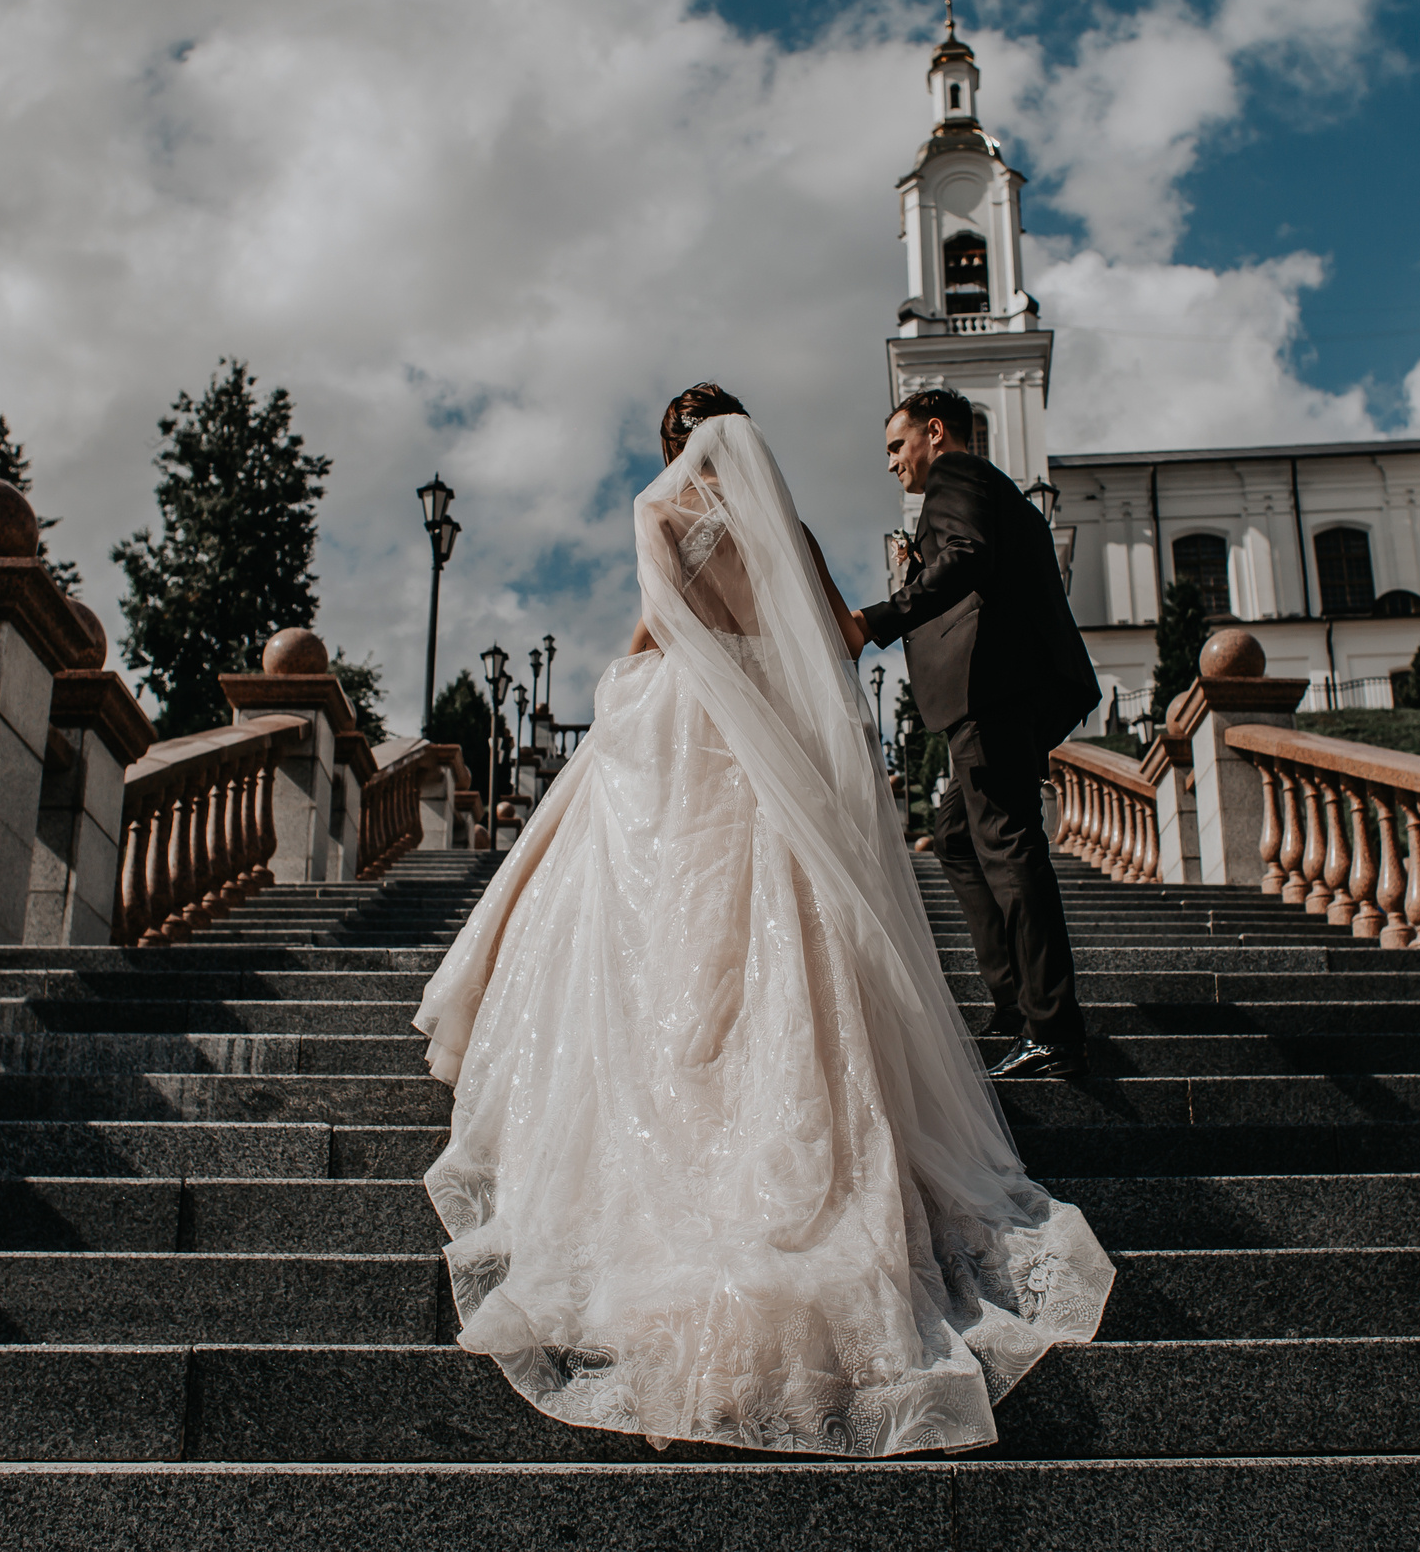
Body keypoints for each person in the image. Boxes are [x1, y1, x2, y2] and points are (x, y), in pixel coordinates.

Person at [415, 382, 1111, 1457]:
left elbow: (659, 625)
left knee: (668, 913)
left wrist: (621, 682)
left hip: (690, 718)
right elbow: (829, 634)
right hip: (769, 728)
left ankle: (687, 1071)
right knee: (787, 922)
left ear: (671, 447)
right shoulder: (780, 514)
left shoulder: (659, 510)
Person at [851, 389, 1103, 1081]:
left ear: (935, 432)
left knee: (1008, 843)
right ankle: (1015, 1001)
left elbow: (967, 555)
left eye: (897, 445)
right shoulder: (993, 490)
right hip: (1004, 691)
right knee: (957, 836)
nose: (893, 463)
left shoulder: (957, 474)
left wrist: (877, 618)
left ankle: (1052, 1029)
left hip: (990, 692)